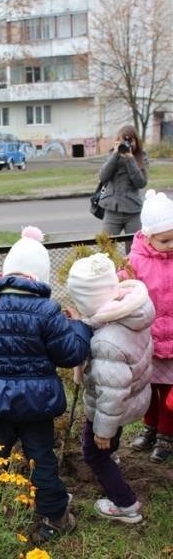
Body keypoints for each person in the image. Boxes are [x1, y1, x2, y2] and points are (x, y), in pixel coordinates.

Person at [0, 226, 92, 541]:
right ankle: (55, 517)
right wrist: (79, 327)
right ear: (40, 275)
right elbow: (70, 354)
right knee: (41, 458)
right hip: (36, 404)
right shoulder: (47, 311)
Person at [66, 253, 154, 524]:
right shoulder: (130, 312)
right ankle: (111, 452)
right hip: (133, 398)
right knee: (108, 445)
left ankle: (125, 504)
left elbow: (112, 393)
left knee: (94, 453)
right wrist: (81, 320)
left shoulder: (106, 343)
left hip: (111, 408)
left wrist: (103, 431)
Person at [120, 190, 173, 462]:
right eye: (165, 240)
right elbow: (128, 287)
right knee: (149, 387)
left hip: (172, 340)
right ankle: (150, 428)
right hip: (149, 338)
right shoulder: (136, 260)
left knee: (170, 391)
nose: (171, 244)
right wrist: (120, 281)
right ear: (148, 236)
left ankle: (166, 436)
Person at [98, 125, 148, 237]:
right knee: (107, 244)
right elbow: (103, 177)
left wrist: (130, 160)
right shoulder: (112, 155)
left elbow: (141, 183)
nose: (127, 143)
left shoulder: (141, 157)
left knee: (134, 246)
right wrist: (115, 156)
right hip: (112, 209)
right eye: (123, 140)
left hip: (133, 210)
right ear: (117, 141)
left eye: (130, 140)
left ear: (136, 141)